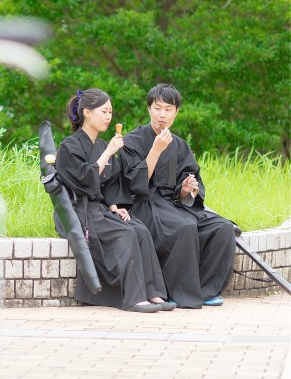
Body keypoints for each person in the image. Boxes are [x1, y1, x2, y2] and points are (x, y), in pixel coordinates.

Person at [54, 88, 174, 313]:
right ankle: (133, 298)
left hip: (100, 209)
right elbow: (83, 180)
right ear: (87, 113)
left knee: (139, 230)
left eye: (110, 112)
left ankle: (152, 292)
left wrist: (114, 207)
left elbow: (111, 184)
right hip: (76, 211)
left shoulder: (101, 145)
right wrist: (108, 152)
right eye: (104, 111)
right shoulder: (69, 146)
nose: (109, 117)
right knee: (126, 234)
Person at [121, 84, 236, 309]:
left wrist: (185, 189)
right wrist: (155, 149)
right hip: (145, 205)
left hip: (173, 205)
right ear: (149, 109)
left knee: (223, 228)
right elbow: (135, 185)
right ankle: (175, 293)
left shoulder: (179, 144)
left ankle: (204, 290)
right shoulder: (132, 140)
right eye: (157, 108)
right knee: (183, 226)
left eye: (168, 109)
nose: (162, 114)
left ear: (176, 112)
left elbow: (189, 182)